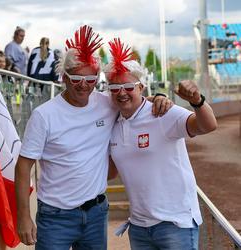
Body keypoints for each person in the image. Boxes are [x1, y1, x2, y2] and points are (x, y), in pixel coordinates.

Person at [14, 25, 172, 250]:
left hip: (96, 213)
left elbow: (132, 97)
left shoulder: (107, 103)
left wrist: (160, 97)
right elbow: (23, 166)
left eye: (90, 79)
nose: (84, 85)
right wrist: (23, 216)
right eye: (76, 78)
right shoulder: (44, 115)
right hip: (55, 216)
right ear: (64, 78)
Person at [105, 38, 217, 250]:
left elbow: (208, 126)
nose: (121, 92)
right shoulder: (112, 122)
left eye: (129, 86)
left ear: (141, 86)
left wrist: (197, 101)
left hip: (175, 224)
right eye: (114, 87)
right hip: (138, 227)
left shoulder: (162, 112)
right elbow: (110, 173)